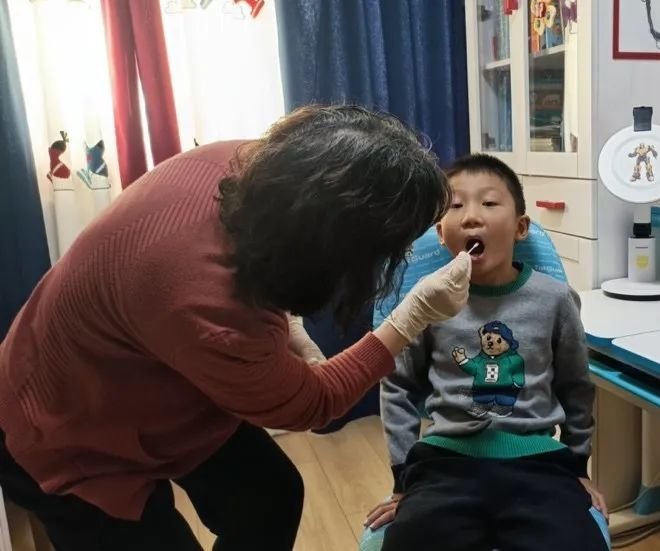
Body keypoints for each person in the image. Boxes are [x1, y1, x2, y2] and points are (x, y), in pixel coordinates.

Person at [0, 105, 474, 551]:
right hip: (60, 430)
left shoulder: (242, 164)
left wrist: (288, 327)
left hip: (154, 381)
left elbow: (268, 264)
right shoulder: (210, 310)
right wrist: (412, 314)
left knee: (271, 497)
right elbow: (315, 404)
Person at [365, 154, 608, 550]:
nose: (471, 217)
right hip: (443, 464)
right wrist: (402, 479)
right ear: (440, 233)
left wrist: (578, 466)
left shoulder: (555, 299)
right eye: (456, 206)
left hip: (539, 464)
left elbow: (576, 386)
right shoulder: (425, 301)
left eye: (489, 203)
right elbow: (398, 387)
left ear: (520, 227)